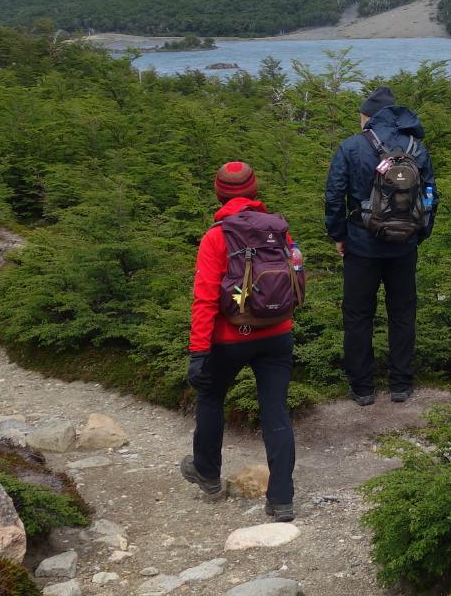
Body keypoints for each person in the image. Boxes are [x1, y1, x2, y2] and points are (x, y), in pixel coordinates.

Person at [181, 160, 301, 522]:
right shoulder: (280, 231)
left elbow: (204, 299)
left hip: (229, 337)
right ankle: (281, 499)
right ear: (254, 189)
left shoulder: (216, 236)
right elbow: (295, 275)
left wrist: (199, 351)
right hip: (277, 333)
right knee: (276, 411)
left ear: (219, 192)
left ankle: (207, 474)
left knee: (211, 396)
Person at [324, 84, 437, 405]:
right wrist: (418, 235)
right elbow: (431, 197)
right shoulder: (417, 148)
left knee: (359, 315)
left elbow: (334, 195)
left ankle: (362, 388)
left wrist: (339, 236)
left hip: (361, 245)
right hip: (404, 248)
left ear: (368, 117)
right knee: (402, 313)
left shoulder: (351, 147)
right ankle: (400, 384)